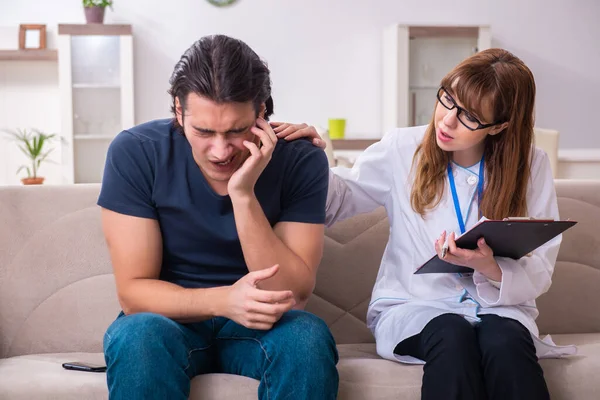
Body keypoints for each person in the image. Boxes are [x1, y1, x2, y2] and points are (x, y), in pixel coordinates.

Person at [275, 48, 576, 400]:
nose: (447, 120)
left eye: (469, 117)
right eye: (447, 99)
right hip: (415, 306)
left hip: (500, 309)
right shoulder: (403, 148)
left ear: (500, 126)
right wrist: (309, 158)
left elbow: (540, 269)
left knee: (506, 343)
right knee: (452, 334)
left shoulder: (531, 165)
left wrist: (490, 267)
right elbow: (336, 201)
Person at [97, 34, 338, 400]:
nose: (220, 151)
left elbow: (291, 293)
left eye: (237, 131)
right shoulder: (136, 153)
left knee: (307, 337)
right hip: (167, 322)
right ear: (178, 111)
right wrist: (224, 300)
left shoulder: (299, 159)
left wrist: (243, 194)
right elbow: (133, 292)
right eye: (203, 132)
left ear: (261, 112)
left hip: (262, 323)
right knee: (137, 336)